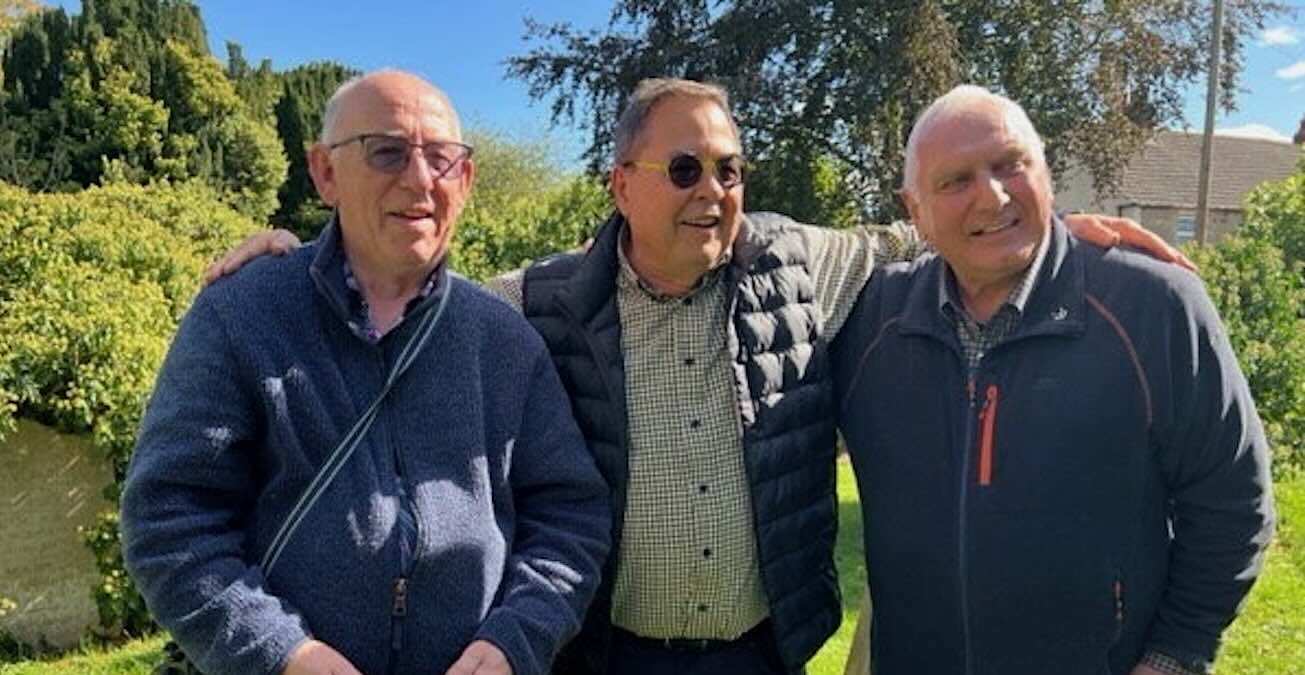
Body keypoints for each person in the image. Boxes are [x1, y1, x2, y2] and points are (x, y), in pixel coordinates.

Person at [205, 78, 1186, 675]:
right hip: (607, 654)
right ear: (620, 185)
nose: (714, 191)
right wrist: (296, 260)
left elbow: (926, 229)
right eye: (684, 169)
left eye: (729, 169)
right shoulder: (535, 304)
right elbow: (410, 284)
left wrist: (1039, 231)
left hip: (762, 650)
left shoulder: (801, 265)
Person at [120, 70, 611, 675]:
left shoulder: (506, 341)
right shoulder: (240, 313)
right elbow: (169, 519)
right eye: (387, 152)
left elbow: (570, 517)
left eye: (442, 158)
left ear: (466, 180)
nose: (421, 179)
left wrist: (516, 639)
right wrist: (280, 651)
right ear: (325, 172)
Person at [833, 85, 1275, 675]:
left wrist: (1174, 656)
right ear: (915, 210)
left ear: (1045, 171)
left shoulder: (1153, 305)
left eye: (1010, 165)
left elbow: (1233, 500)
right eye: (956, 181)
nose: (993, 196)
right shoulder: (871, 320)